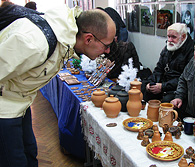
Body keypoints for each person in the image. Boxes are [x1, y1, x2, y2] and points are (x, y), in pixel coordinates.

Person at [0, 4, 116, 167]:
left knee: (30, 154)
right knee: (14, 161)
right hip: (4, 109)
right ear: (89, 38)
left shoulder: (64, 39)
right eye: (106, 45)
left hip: (20, 104)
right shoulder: (34, 43)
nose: (108, 51)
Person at [142, 23, 194, 103]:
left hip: (179, 89)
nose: (169, 40)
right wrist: (151, 83)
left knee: (167, 101)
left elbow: (185, 79)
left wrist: (163, 87)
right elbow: (158, 70)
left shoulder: (191, 51)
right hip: (164, 83)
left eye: (173, 37)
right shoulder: (167, 48)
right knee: (144, 89)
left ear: (183, 37)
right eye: (168, 36)